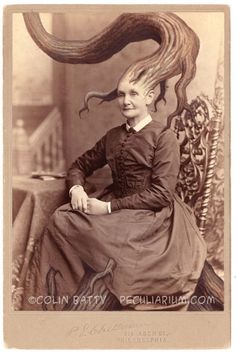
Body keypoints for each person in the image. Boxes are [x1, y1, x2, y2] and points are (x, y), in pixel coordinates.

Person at [25, 70, 207, 311]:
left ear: (149, 98)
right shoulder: (113, 135)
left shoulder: (163, 137)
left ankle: (103, 291)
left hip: (152, 214)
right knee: (61, 219)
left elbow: (161, 194)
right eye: (121, 95)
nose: (126, 101)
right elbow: (79, 165)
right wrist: (77, 189)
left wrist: (108, 207)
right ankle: (57, 300)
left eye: (134, 93)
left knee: (119, 243)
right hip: (115, 204)